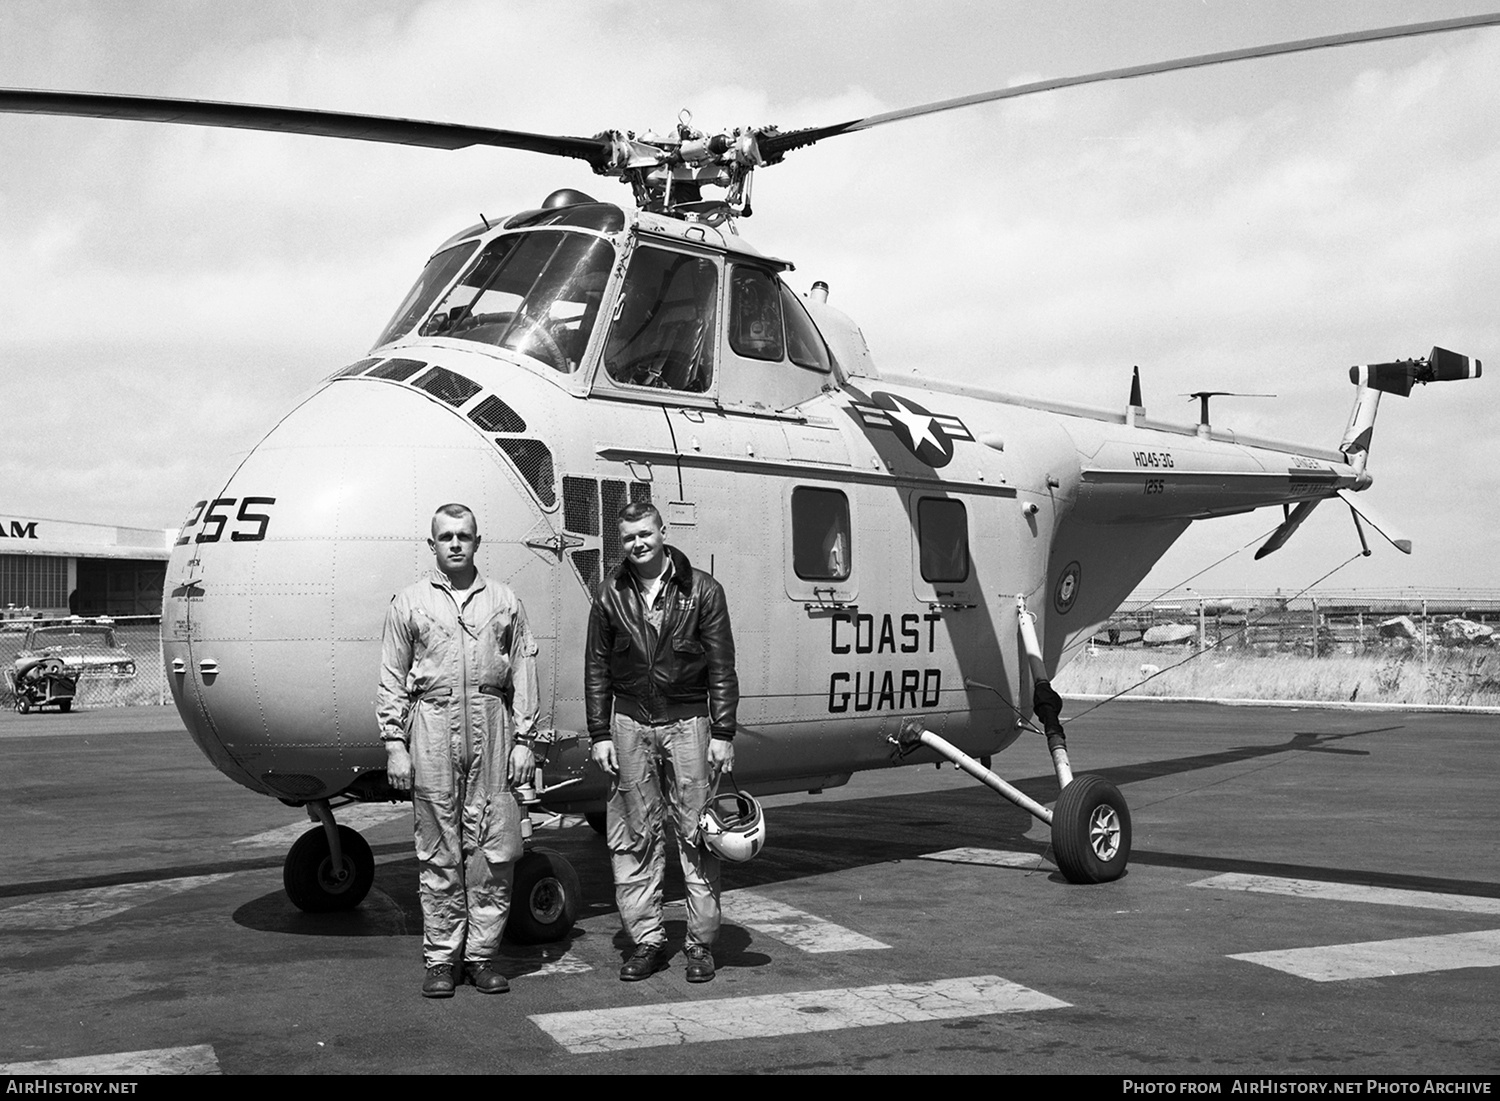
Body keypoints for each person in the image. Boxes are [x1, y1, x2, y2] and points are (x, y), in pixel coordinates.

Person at [377, 503, 539, 998]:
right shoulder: (408, 604)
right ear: (432, 545)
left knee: (495, 849)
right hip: (431, 725)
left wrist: (525, 740)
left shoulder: (505, 601)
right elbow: (391, 677)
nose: (454, 544)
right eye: (445, 536)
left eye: (463, 536)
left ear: (476, 542)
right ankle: (442, 960)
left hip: (492, 726)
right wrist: (394, 744)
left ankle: (482, 958)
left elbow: (524, 673)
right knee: (438, 849)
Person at [586, 502, 738, 983]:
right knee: (633, 836)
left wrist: (724, 731)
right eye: (629, 537)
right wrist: (599, 732)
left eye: (645, 534)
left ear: (662, 531)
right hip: (629, 724)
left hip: (689, 723)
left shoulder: (702, 590)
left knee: (698, 833)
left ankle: (699, 946)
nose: (638, 544)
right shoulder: (610, 594)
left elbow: (721, 666)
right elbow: (596, 667)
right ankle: (647, 941)